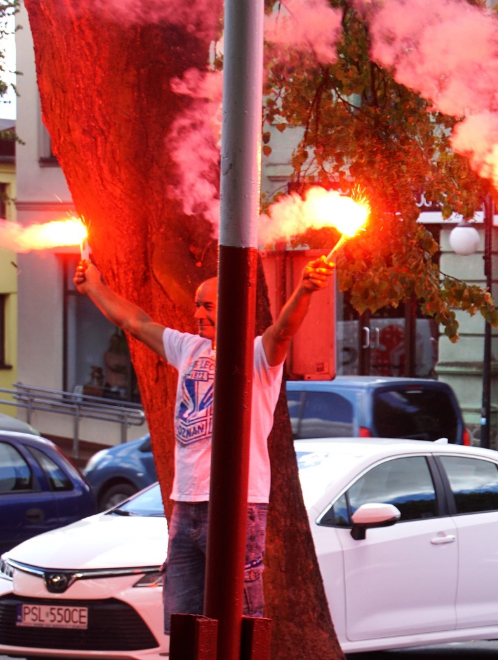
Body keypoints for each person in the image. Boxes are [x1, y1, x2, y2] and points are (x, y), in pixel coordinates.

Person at [74, 255, 333, 630]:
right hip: (187, 505)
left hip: (237, 504)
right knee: (183, 620)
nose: (198, 313)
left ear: (232, 308)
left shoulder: (258, 354)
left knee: (237, 620)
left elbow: (283, 332)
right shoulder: (188, 349)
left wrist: (305, 289)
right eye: (196, 304)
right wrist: (93, 287)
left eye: (208, 306)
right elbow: (134, 322)